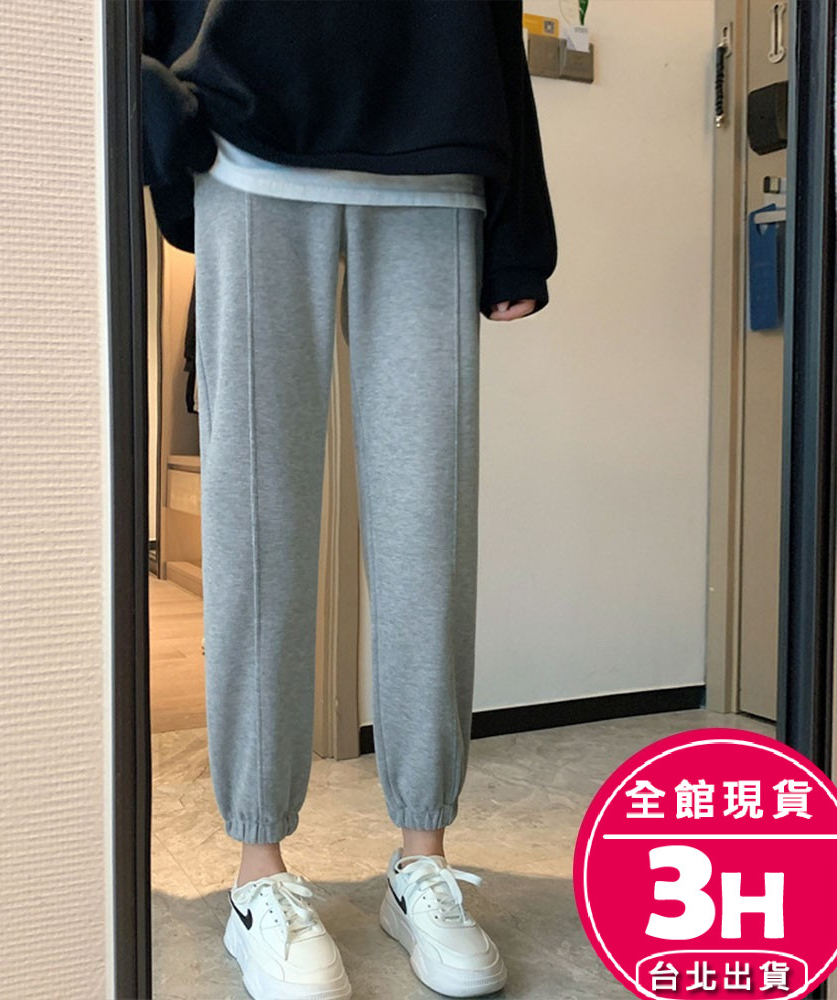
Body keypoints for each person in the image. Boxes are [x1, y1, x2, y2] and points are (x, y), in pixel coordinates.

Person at [142, 2, 557, 997]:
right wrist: (154, 97)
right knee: (258, 528)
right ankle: (258, 872)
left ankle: (422, 859)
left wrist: (520, 230)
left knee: (429, 531)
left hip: (437, 144)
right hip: (249, 142)